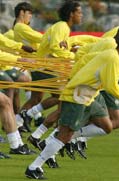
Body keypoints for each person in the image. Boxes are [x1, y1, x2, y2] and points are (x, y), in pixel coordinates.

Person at [25, 33, 119, 179]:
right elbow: (112, 88)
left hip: (88, 97)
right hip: (76, 97)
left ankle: (58, 139)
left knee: (106, 127)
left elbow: (85, 59)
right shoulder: (112, 57)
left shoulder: (110, 55)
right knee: (65, 134)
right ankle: (34, 166)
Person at [20, 0, 83, 133]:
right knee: (61, 96)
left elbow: (59, 48)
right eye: (79, 12)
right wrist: (74, 56)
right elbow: (56, 48)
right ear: (71, 14)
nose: (81, 15)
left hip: (43, 65)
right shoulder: (62, 27)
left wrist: (69, 50)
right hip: (43, 66)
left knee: (36, 98)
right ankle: (35, 119)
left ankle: (18, 120)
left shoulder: (63, 27)